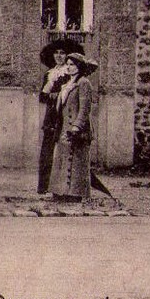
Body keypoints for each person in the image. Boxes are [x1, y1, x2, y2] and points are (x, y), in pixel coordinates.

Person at [36, 37, 85, 195]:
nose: (59, 56)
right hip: (51, 116)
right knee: (47, 151)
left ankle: (62, 188)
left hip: (64, 116)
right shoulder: (49, 74)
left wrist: (55, 95)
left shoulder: (70, 73)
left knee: (63, 151)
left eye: (62, 53)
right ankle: (43, 187)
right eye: (56, 53)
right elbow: (42, 97)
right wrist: (50, 94)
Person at [53, 51, 99, 202]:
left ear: (79, 66)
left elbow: (85, 109)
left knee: (76, 161)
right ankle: (60, 192)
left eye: (72, 65)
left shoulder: (84, 83)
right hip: (64, 127)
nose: (69, 67)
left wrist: (76, 127)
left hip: (77, 130)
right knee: (63, 159)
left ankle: (75, 194)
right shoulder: (67, 84)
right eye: (67, 64)